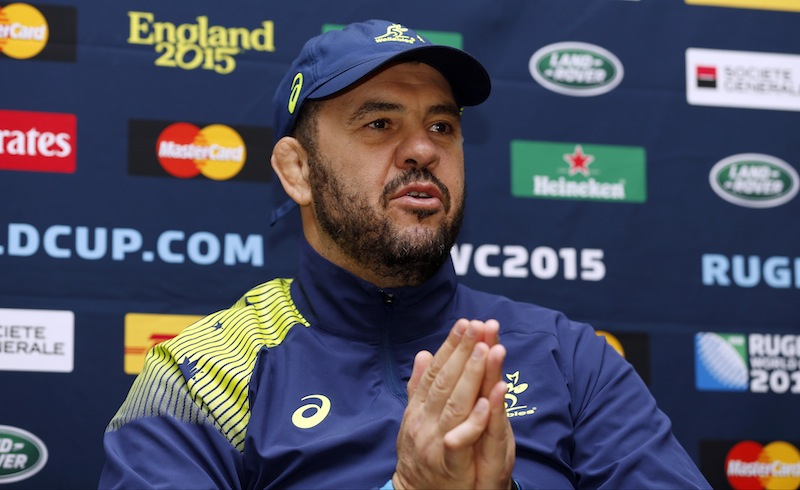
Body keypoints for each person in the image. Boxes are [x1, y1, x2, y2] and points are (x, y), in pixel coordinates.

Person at [99, 19, 711, 489]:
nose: (421, 148)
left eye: (442, 126)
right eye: (379, 125)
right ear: (297, 170)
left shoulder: (571, 358)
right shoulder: (200, 376)